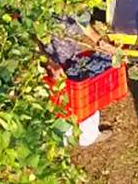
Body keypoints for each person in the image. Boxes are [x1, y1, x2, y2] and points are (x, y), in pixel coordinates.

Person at [45, 14, 118, 148]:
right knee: (59, 100)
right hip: (48, 66)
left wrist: (100, 41)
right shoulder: (36, 0)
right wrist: (49, 62)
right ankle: (63, 140)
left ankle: (87, 135)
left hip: (71, 58)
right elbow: (27, 35)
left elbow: (83, 23)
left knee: (84, 93)